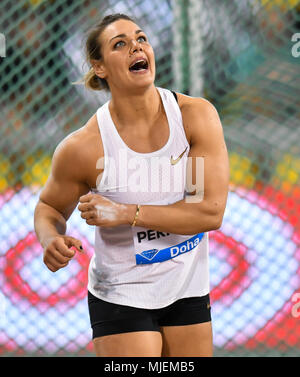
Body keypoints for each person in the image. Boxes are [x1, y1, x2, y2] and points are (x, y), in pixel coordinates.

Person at [34, 13, 229, 357]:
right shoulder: (85, 147)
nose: (136, 47)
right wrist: (51, 238)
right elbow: (49, 207)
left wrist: (125, 213)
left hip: (188, 286)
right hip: (122, 292)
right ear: (100, 67)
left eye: (141, 39)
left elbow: (208, 213)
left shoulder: (194, 117)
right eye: (119, 44)